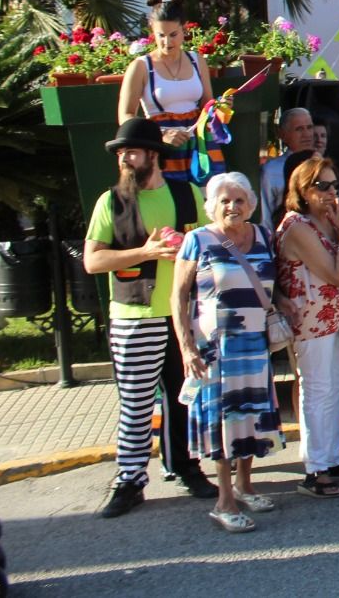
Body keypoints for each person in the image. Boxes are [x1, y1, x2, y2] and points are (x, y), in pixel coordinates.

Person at [84, 118, 213, 518]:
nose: (124, 158)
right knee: (137, 404)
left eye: (131, 151)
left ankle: (185, 466)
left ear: (152, 155)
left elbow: (211, 242)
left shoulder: (186, 193)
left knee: (183, 398)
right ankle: (129, 479)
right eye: (121, 153)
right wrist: (145, 252)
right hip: (133, 316)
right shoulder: (111, 202)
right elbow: (93, 260)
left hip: (183, 316)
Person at [170, 173, 284, 533]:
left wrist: (284, 306)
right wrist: (186, 348)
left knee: (249, 414)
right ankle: (224, 502)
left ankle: (245, 485)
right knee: (224, 420)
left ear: (250, 203)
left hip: (254, 344)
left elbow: (269, 284)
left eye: (239, 200)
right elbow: (178, 296)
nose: (233, 207)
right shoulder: (197, 240)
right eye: (224, 201)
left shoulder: (264, 236)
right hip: (217, 349)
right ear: (212, 206)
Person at [274, 157, 339, 498]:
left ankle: (332, 457)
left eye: (333, 185)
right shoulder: (297, 226)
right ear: (302, 190)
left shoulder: (324, 220)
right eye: (321, 186)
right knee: (316, 389)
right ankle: (315, 469)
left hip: (332, 316)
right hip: (309, 320)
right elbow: (338, 275)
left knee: (337, 383)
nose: (330, 193)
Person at [118, 0, 221, 182]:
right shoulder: (141, 66)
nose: (167, 42)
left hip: (199, 145)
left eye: (173, 34)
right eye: (161, 36)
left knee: (208, 201)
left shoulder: (197, 61)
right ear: (152, 32)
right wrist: (161, 135)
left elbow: (208, 104)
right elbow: (125, 115)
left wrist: (221, 106)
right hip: (162, 148)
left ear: (184, 29)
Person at [258, 107, 314, 224]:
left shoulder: (322, 164)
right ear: (283, 134)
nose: (307, 134)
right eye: (299, 129)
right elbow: (265, 215)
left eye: (309, 127)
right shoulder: (271, 170)